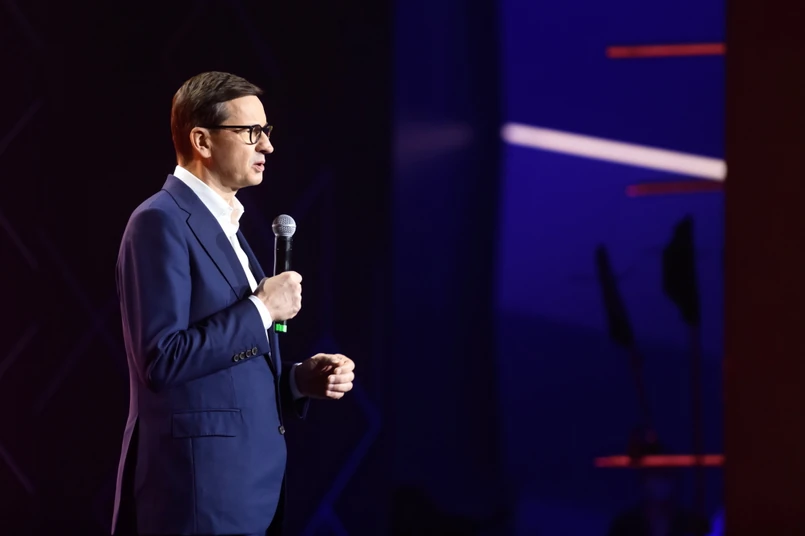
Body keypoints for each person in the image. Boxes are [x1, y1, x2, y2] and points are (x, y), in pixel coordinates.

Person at [110, 71, 356, 536]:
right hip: (198, 497)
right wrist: (262, 309)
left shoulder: (224, 225)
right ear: (202, 140)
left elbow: (221, 376)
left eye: (266, 131)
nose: (267, 146)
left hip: (244, 494)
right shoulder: (159, 222)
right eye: (251, 132)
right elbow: (162, 359)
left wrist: (297, 381)